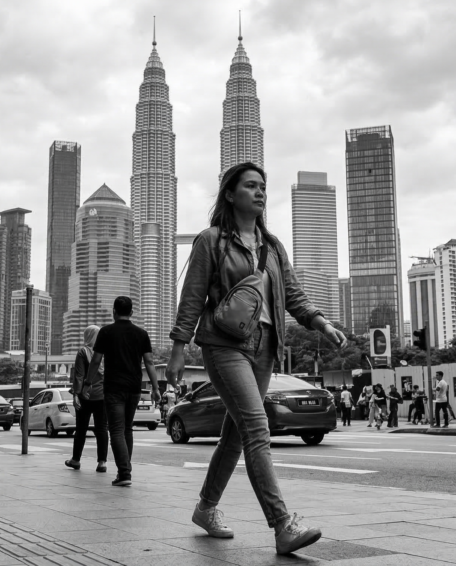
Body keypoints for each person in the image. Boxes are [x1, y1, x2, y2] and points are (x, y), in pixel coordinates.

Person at [167, 163, 348, 555]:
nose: (260, 192)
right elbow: (193, 298)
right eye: (251, 186)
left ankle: (205, 507)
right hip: (223, 345)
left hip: (265, 347)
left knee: (234, 437)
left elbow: (294, 296)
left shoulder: (273, 246)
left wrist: (321, 323)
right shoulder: (211, 241)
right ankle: (283, 524)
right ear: (230, 195)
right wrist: (180, 348)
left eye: (263, 186)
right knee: (256, 425)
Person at [88, 296, 161, 487]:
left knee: (117, 431)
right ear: (131, 312)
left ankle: (124, 473)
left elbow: (96, 361)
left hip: (113, 388)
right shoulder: (141, 334)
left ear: (113, 311)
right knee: (127, 429)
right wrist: (155, 388)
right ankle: (125, 470)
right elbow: (150, 362)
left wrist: (87, 383)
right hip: (134, 388)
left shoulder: (105, 332)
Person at [66, 325, 108, 472]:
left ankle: (76, 460)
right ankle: (102, 462)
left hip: (86, 395)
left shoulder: (83, 351)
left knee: (81, 429)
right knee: (102, 429)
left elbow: (79, 376)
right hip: (102, 396)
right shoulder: (105, 353)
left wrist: (76, 395)